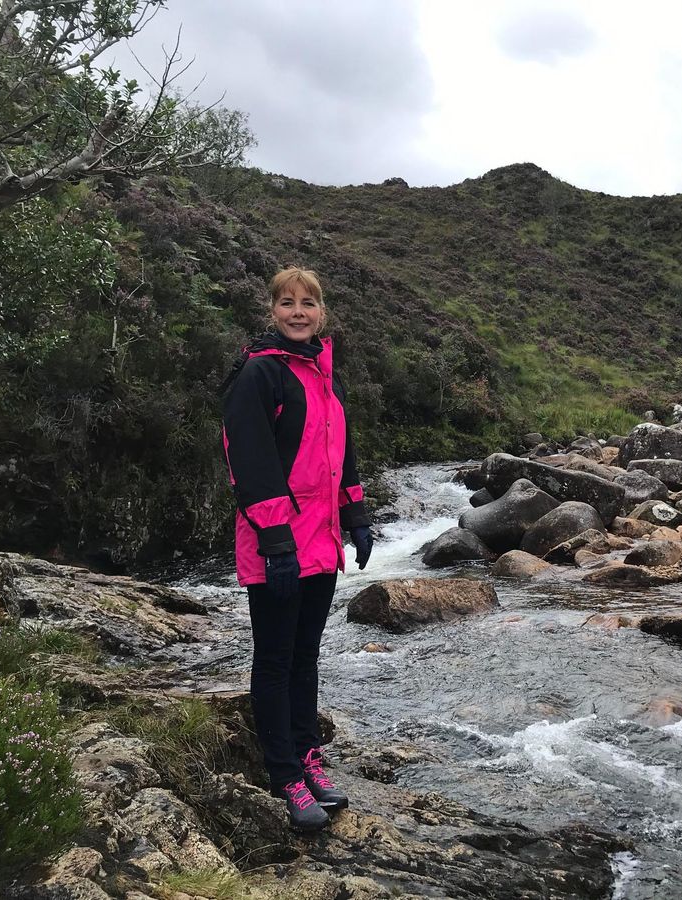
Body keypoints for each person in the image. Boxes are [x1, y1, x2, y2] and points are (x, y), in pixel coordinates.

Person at [221, 266, 373, 831]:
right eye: (287, 302)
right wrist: (276, 542)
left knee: (306, 656)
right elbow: (250, 461)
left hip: (322, 540)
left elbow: (342, 452)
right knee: (276, 659)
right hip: (278, 543)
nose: (298, 311)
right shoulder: (261, 375)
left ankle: (310, 757)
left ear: (321, 313)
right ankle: (283, 772)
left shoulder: (323, 374)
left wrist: (356, 516)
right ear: (272, 312)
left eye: (307, 302)